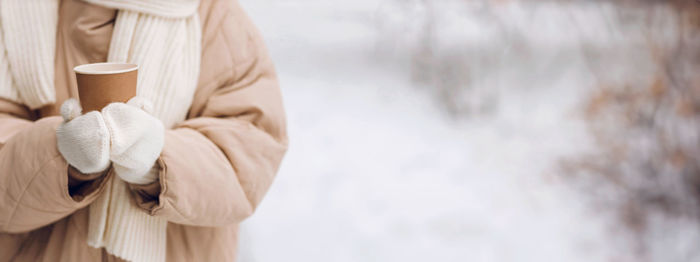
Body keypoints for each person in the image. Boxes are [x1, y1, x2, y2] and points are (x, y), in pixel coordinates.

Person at [0, 0, 288, 261]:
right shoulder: (14, 13)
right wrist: (61, 156)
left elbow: (250, 152)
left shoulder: (216, 17)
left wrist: (156, 162)